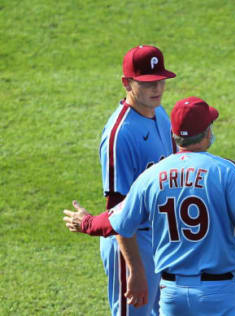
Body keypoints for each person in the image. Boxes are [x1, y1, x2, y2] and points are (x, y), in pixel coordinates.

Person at [64, 96, 235, 316]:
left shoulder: (152, 176)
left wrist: (86, 222)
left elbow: (116, 221)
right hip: (221, 293)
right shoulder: (224, 171)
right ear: (207, 132)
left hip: (173, 295)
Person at [63, 45, 177, 316]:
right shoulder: (120, 135)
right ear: (127, 83)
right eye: (147, 83)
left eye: (160, 81)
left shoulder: (160, 114)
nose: (157, 89)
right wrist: (135, 269)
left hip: (161, 238)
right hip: (132, 243)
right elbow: (118, 209)